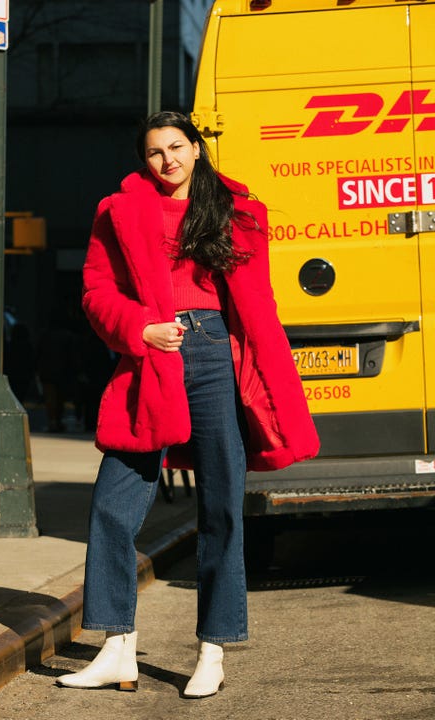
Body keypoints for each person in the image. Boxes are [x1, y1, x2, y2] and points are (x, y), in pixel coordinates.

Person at [57, 111, 319, 698]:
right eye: (154, 152)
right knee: (113, 503)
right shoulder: (117, 211)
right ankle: (117, 647)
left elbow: (257, 300)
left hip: (214, 355)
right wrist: (139, 329)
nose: (167, 159)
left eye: (177, 147)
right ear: (142, 160)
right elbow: (97, 292)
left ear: (197, 149)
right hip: (150, 356)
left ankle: (213, 650)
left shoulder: (237, 210)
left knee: (221, 506)